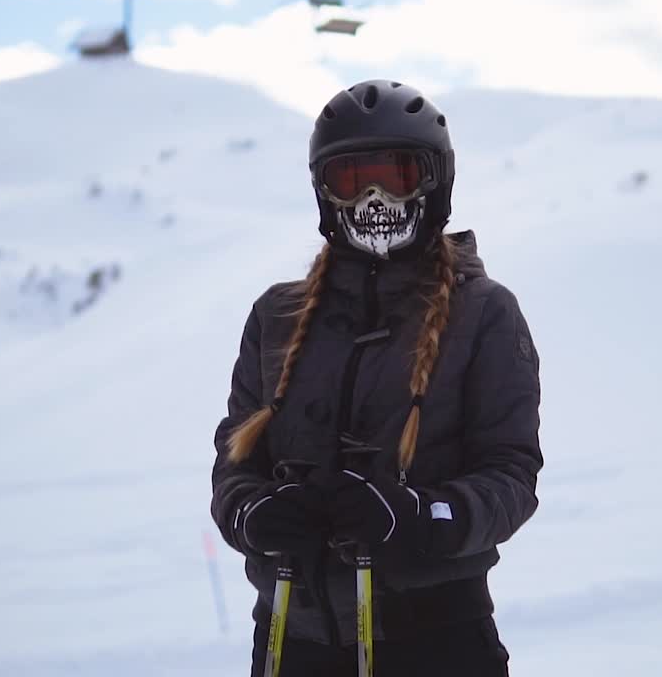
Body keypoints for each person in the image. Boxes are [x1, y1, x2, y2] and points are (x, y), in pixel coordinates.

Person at [210, 79, 543, 676]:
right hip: (293, 636)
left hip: (437, 644)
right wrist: (253, 516)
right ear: (323, 193)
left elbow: (511, 478)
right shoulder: (276, 317)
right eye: (350, 179)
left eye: (396, 176)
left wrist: (417, 517)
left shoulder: (484, 313)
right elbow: (234, 467)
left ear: (435, 182)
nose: (372, 199)